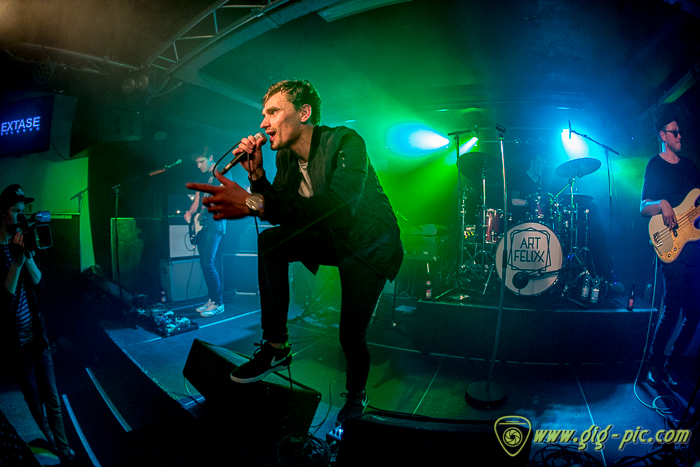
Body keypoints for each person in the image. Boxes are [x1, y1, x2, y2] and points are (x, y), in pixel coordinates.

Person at [186, 80, 403, 424]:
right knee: (271, 241)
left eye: (273, 112)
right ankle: (275, 347)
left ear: (304, 113)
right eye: (263, 115)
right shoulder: (285, 157)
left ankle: (356, 395)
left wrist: (253, 202)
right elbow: (281, 208)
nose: (264, 123)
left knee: (350, 334)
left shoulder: (346, 142)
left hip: (368, 244)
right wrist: (257, 174)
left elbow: (340, 209)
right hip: (332, 238)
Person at [0, 184, 75, 463]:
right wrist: (16, 264)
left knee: (52, 396)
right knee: (34, 399)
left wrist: (28, 257)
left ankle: (63, 449)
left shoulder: (22, 242)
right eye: (15, 211)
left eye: (23, 211)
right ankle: (52, 443)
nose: (20, 216)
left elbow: (41, 285)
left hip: (37, 335)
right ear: (2, 213)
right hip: (16, 345)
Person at [641, 113, 700, 389]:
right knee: (672, 308)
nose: (679, 136)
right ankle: (654, 365)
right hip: (671, 244)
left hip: (694, 245)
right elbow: (644, 208)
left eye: (680, 131)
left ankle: (672, 366)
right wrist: (662, 203)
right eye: (674, 132)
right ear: (663, 135)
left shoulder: (689, 166)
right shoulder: (655, 165)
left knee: (695, 313)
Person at [184, 147, 227, 317]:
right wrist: (190, 212)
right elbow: (197, 201)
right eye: (197, 163)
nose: (199, 166)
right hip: (203, 224)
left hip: (215, 223)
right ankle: (212, 299)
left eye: (201, 162)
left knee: (208, 263)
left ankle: (218, 303)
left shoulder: (222, 171)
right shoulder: (200, 177)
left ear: (211, 157)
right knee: (204, 263)